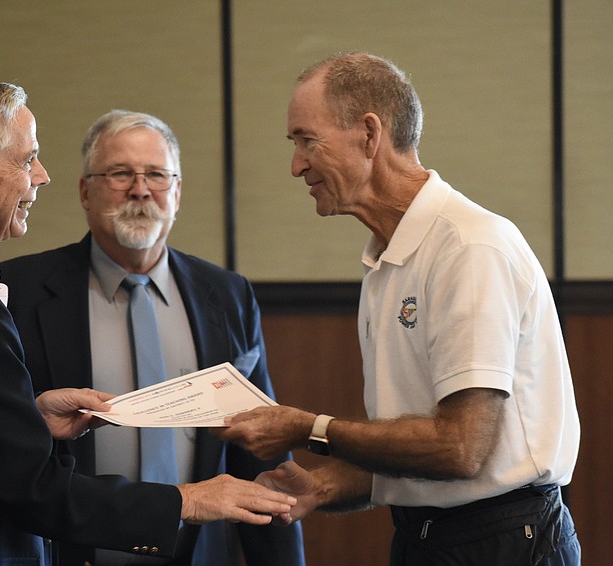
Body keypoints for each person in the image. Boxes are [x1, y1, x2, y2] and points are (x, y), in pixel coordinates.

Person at [0, 79, 295, 566]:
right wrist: (188, 501)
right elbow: (31, 488)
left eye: (157, 174)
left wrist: (28, 419)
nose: (41, 176)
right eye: (27, 159)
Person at [216, 52, 582, 565]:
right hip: (427, 538)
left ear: (369, 134)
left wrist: (307, 428)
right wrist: (318, 488)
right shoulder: (386, 259)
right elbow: (415, 452)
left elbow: (459, 449)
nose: (296, 164)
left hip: (503, 543)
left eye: (306, 140)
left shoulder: (469, 247)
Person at [0, 109, 305, 566]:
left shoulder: (227, 295)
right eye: (120, 173)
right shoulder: (18, 291)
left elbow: (259, 454)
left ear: (177, 193)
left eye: (157, 175)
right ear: (85, 191)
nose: (140, 190)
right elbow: (4, 450)